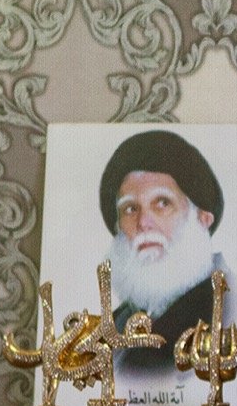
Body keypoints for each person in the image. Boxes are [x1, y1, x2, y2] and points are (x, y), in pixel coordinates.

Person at [98, 129, 229, 373]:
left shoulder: (228, 309)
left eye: (162, 203)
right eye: (129, 209)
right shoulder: (115, 325)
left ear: (202, 218)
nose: (143, 222)